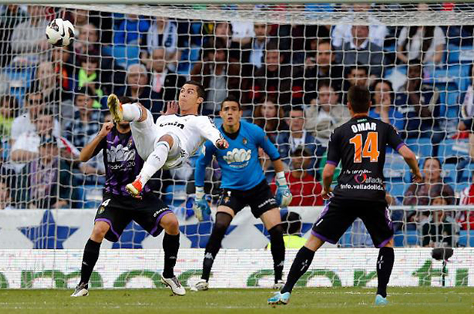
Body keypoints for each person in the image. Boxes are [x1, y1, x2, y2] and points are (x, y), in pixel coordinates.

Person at [268, 85, 422, 306]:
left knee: (313, 242)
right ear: (371, 104)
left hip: (345, 194)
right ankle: (381, 295)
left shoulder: (340, 131)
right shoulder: (384, 127)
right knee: (386, 244)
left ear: (348, 106)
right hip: (373, 194)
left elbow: (328, 171)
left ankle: (286, 291)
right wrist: (416, 173)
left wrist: (325, 188)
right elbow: (408, 154)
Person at [71, 96, 185, 297]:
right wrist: (99, 135)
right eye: (119, 110)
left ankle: (169, 274)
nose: (123, 115)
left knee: (172, 223)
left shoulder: (141, 133)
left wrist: (165, 122)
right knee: (98, 230)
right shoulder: (107, 135)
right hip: (115, 196)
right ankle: (83, 284)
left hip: (142, 194)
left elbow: (161, 136)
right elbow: (82, 158)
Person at [192, 95, 292, 291]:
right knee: (220, 225)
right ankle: (204, 278)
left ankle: (279, 279)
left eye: (233, 109)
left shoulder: (253, 131)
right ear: (220, 114)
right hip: (232, 191)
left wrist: (282, 185)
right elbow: (200, 165)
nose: (229, 112)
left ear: (239, 113)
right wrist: (199, 196)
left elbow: (274, 155)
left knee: (276, 230)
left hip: (258, 189)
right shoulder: (214, 138)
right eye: (226, 109)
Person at [107, 80, 229, 197]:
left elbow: (212, 131)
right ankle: (121, 112)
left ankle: (139, 181)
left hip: (176, 155)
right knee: (142, 110)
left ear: (199, 100)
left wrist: (218, 140)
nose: (184, 94)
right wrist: (167, 117)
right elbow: (153, 131)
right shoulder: (165, 118)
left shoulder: (201, 120)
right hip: (150, 150)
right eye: (182, 91)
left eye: (190, 92)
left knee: (167, 138)